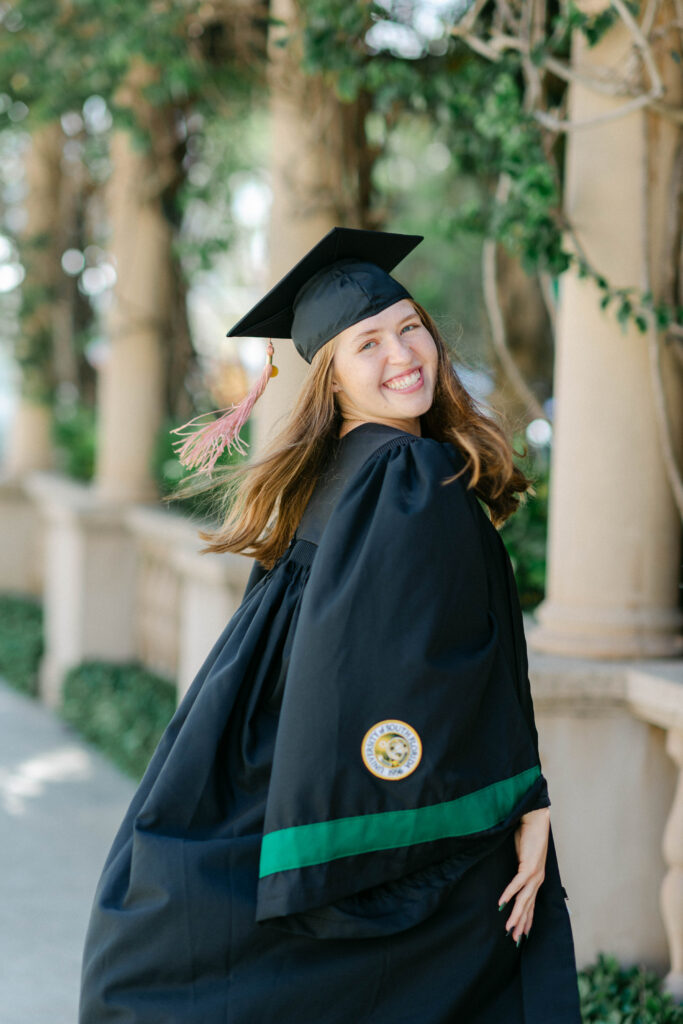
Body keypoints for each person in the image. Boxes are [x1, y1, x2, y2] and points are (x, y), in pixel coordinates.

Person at [79, 226, 582, 1023]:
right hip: (335, 772)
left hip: (269, 775)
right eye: (366, 345)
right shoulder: (407, 472)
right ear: (334, 380)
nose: (402, 354)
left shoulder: (342, 467)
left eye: (409, 327)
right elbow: (423, 665)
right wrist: (524, 793)